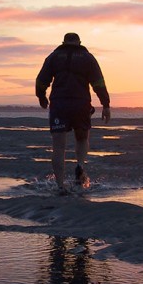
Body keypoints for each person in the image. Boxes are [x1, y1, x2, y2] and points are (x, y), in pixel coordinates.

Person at [36, 33, 111, 193]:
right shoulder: (88, 58)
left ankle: (60, 186)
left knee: (58, 146)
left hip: (60, 103)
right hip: (80, 103)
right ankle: (80, 165)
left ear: (63, 42)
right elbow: (98, 82)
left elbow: (41, 80)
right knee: (82, 137)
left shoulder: (54, 57)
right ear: (79, 42)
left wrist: (41, 96)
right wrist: (105, 104)